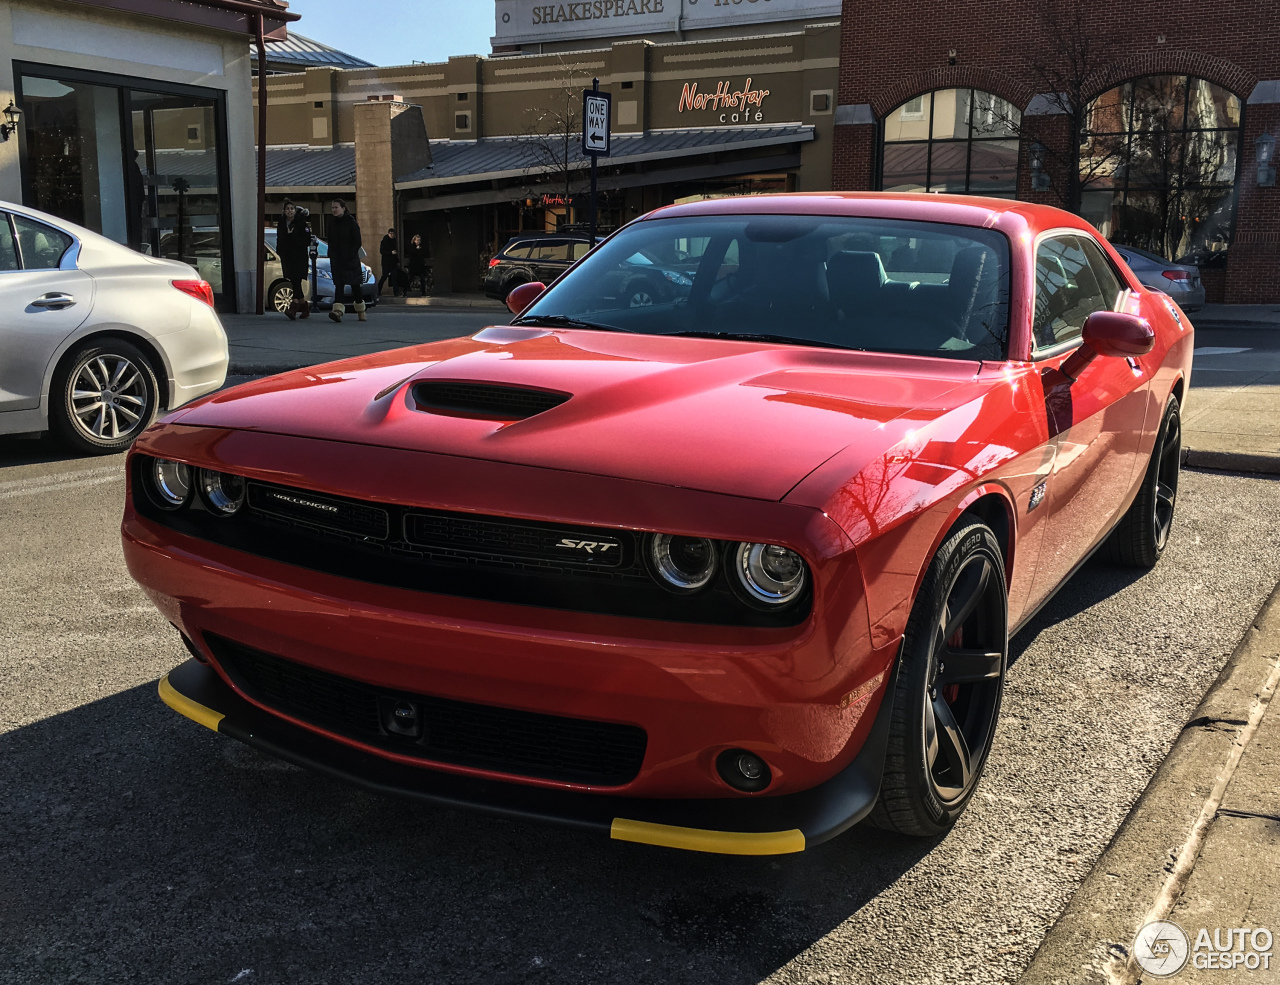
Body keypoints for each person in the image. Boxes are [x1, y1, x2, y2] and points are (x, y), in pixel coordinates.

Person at [326, 198, 365, 322]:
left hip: (350, 259)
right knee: (339, 285)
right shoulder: (331, 223)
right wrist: (331, 254)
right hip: (337, 260)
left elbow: (357, 242)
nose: (334, 210)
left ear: (343, 208)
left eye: (336, 207)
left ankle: (361, 310)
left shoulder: (351, 223)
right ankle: (337, 311)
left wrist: (349, 255)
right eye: (332, 208)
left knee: (355, 286)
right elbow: (330, 241)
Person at [275, 199, 312, 320]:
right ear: (284, 211)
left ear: (295, 211)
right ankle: (304, 308)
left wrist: (293, 235)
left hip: (299, 256)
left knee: (296, 280)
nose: (290, 211)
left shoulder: (301, 223)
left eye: (292, 209)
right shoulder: (281, 223)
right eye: (287, 209)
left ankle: (293, 308)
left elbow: (306, 241)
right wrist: (279, 251)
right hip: (287, 256)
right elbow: (280, 239)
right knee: (294, 281)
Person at [377, 227, 400, 296]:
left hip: (393, 262)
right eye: (391, 234)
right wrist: (390, 252)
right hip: (386, 262)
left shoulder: (394, 241)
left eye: (393, 234)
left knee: (394, 277)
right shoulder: (384, 241)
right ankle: (378, 290)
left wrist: (397, 260)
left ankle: (396, 292)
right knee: (384, 276)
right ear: (388, 234)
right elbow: (382, 251)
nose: (392, 235)